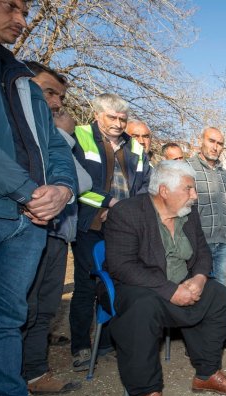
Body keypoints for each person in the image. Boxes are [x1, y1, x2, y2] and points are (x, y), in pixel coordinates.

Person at [0, 0, 77, 396]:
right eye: (10, 5)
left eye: (25, 9)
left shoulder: (22, 80)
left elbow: (57, 148)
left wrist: (62, 189)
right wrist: (28, 191)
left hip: (27, 219)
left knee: (5, 318)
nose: (21, 18)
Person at [104, 160, 226, 396]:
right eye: (189, 189)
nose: (194, 196)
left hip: (184, 281)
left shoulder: (188, 214)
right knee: (141, 307)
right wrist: (170, 290)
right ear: (164, 191)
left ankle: (206, 373)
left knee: (219, 295)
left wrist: (200, 279)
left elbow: (202, 253)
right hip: (144, 289)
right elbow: (121, 265)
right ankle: (148, 393)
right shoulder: (127, 213)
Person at [21, 63, 91, 395]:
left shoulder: (51, 136)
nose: (56, 103)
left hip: (57, 232)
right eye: (49, 92)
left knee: (44, 307)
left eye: (59, 96)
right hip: (27, 230)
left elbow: (81, 180)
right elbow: (81, 180)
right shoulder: (23, 131)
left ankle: (34, 374)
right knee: (21, 308)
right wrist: (64, 135)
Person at [70, 93, 151, 372]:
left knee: (119, 284)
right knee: (85, 286)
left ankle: (107, 343)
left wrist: (127, 211)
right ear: (97, 115)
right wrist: (108, 203)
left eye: (122, 119)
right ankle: (80, 346)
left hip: (123, 228)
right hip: (90, 223)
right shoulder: (80, 136)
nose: (118, 123)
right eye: (112, 117)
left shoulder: (136, 149)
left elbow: (144, 186)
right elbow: (75, 182)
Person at [186, 127, 226, 352]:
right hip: (199, 243)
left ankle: (220, 336)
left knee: (222, 291)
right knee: (197, 290)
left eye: (220, 143)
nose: (215, 147)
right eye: (211, 141)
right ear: (200, 141)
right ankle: (197, 338)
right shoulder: (186, 170)